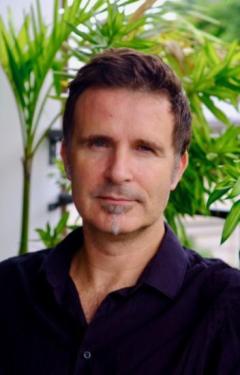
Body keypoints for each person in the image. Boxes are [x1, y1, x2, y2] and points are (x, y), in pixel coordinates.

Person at [0, 48, 240, 375]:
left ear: (178, 168)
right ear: (67, 157)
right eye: (98, 143)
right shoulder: (8, 291)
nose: (118, 172)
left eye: (145, 149)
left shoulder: (228, 309)